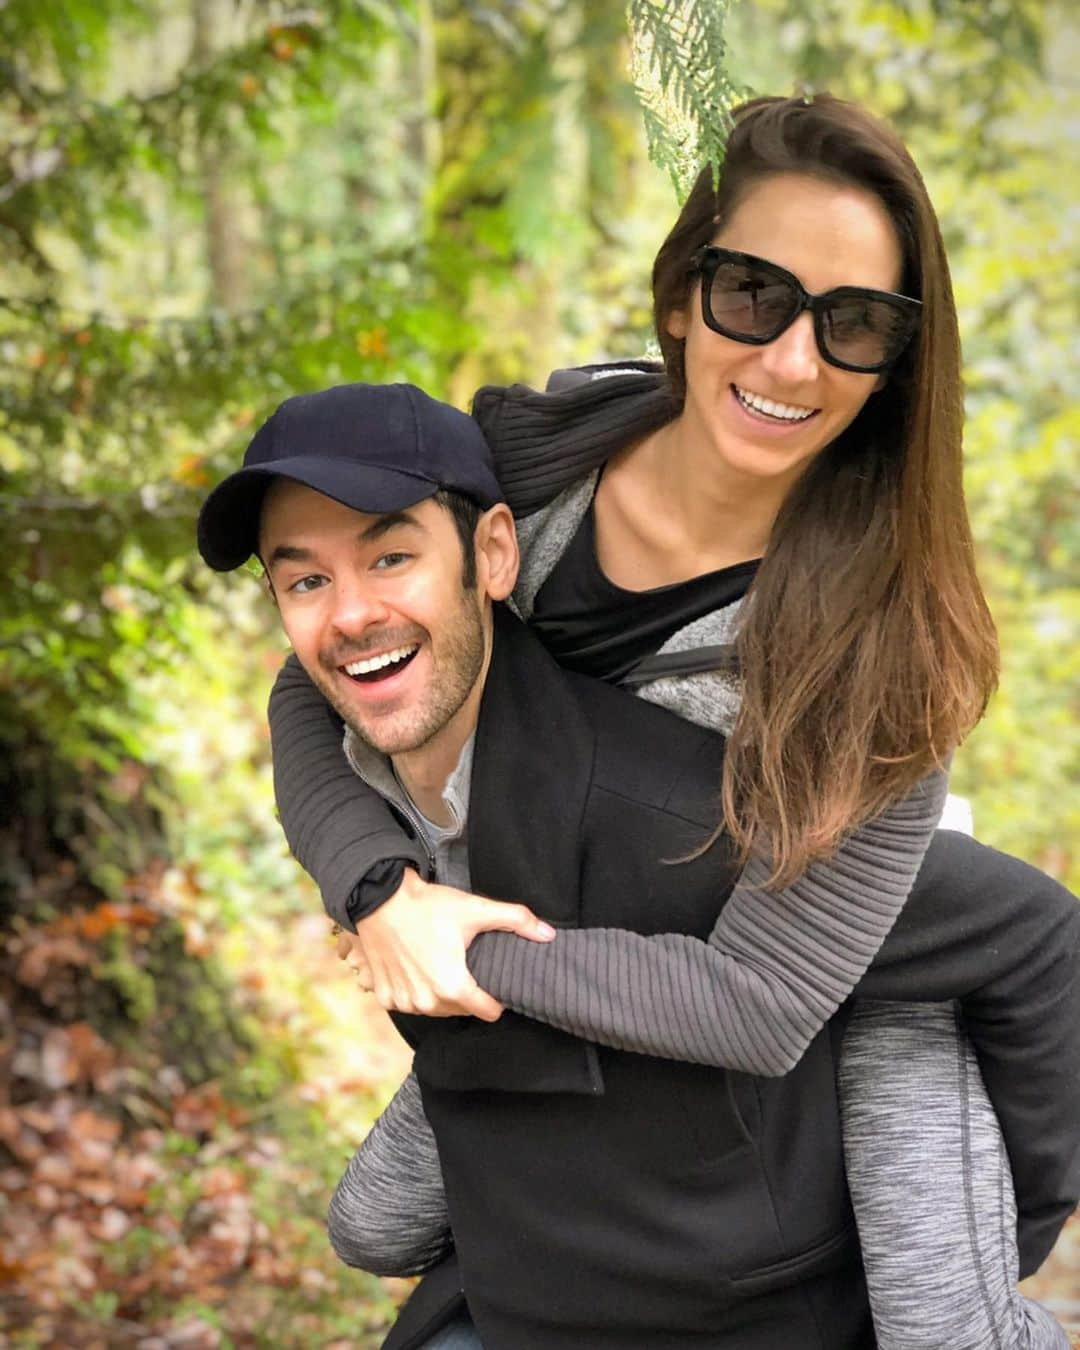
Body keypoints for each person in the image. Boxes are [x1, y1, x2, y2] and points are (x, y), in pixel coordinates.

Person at [196, 380, 1075, 1350]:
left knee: (943, 1323)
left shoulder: (711, 805)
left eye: (391, 557)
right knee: (367, 1223)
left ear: (492, 553)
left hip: (862, 946)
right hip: (583, 1020)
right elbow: (300, 701)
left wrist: (1023, 1221)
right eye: (305, 581)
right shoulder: (409, 666)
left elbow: (1030, 936)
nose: (350, 612)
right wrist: (380, 894)